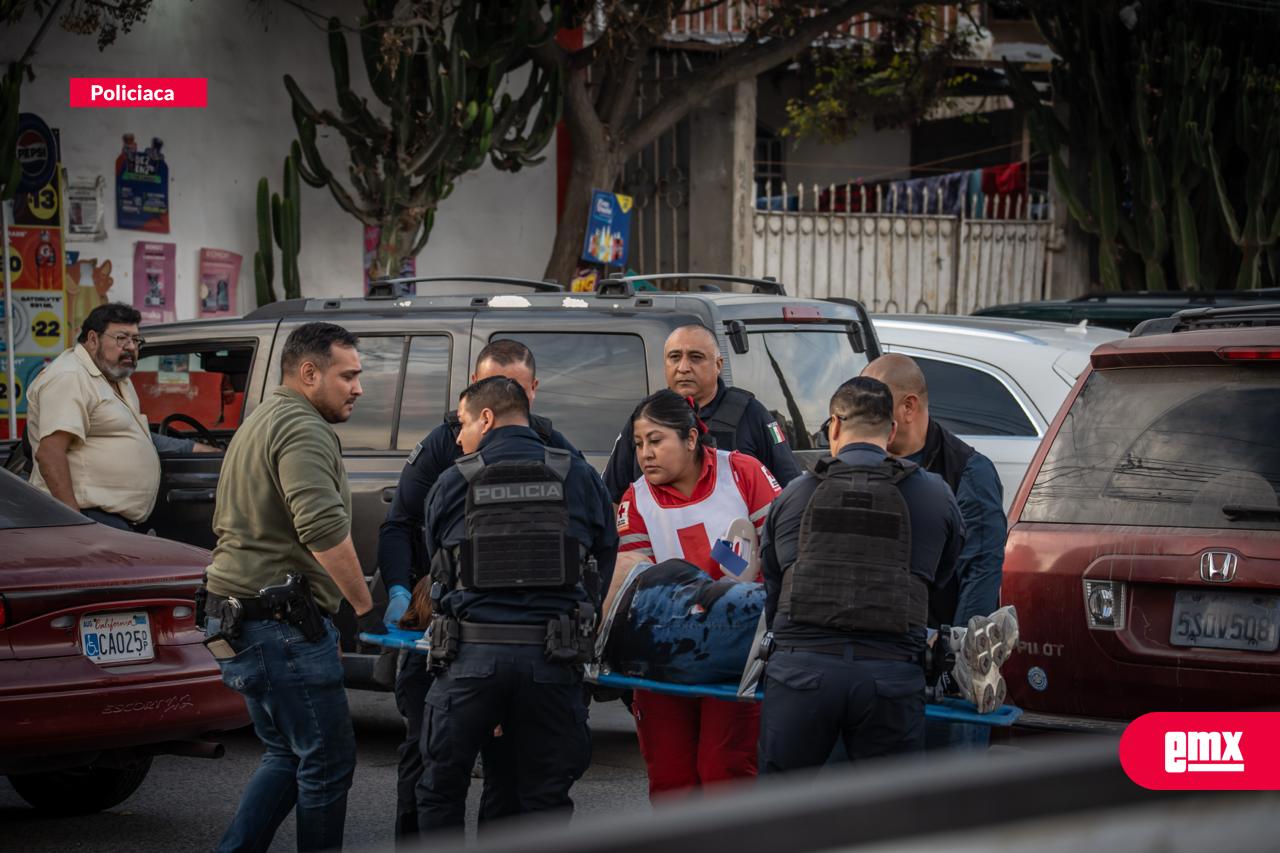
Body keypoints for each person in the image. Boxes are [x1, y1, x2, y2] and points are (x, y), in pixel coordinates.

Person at [377, 339, 579, 842]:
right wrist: (404, 593)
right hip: (444, 635)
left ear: (531, 390)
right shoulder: (446, 445)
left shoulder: (560, 452)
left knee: (506, 774)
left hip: (513, 643)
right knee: (426, 761)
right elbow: (402, 526)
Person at [202, 322, 386, 853]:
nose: (359, 387)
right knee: (326, 761)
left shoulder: (265, 417)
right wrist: (364, 609)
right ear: (310, 373)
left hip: (241, 618)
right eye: (348, 375)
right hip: (276, 627)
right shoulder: (303, 427)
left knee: (289, 754)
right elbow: (323, 528)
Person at [415, 376, 617, 836]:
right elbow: (603, 557)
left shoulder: (453, 480)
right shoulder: (578, 474)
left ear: (486, 418)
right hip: (552, 661)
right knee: (544, 796)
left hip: (469, 661)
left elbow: (438, 562)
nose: (458, 436)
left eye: (462, 423)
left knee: (441, 789)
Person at [758, 377, 964, 772]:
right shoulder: (935, 495)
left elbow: (774, 582)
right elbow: (942, 574)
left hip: (801, 676)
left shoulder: (794, 495)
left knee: (781, 815)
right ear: (891, 430)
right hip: (891, 677)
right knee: (886, 818)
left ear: (833, 426)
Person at [614, 389, 781, 799]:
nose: (645, 454)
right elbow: (629, 581)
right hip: (661, 659)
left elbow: (782, 554)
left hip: (735, 655)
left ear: (691, 439)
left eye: (656, 440)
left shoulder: (744, 472)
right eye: (638, 444)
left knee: (725, 770)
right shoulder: (634, 498)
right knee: (671, 780)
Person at [861, 354, 1008, 744]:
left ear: (909, 407)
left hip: (938, 677)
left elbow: (979, 575)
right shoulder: (860, 464)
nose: (865, 415)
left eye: (877, 403)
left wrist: (953, 662)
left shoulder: (968, 471)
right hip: (872, 664)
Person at [25, 302, 217, 530]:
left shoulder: (118, 379)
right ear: (93, 339)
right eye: (121, 338)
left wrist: (194, 449)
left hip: (111, 520)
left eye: (135, 340)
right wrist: (76, 526)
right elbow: (50, 453)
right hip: (88, 518)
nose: (131, 347)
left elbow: (134, 435)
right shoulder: (70, 376)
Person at [602, 324, 801, 503]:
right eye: (675, 357)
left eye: (696, 358)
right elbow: (611, 495)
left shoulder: (751, 413)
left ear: (718, 365)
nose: (683, 368)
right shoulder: (645, 416)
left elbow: (791, 490)